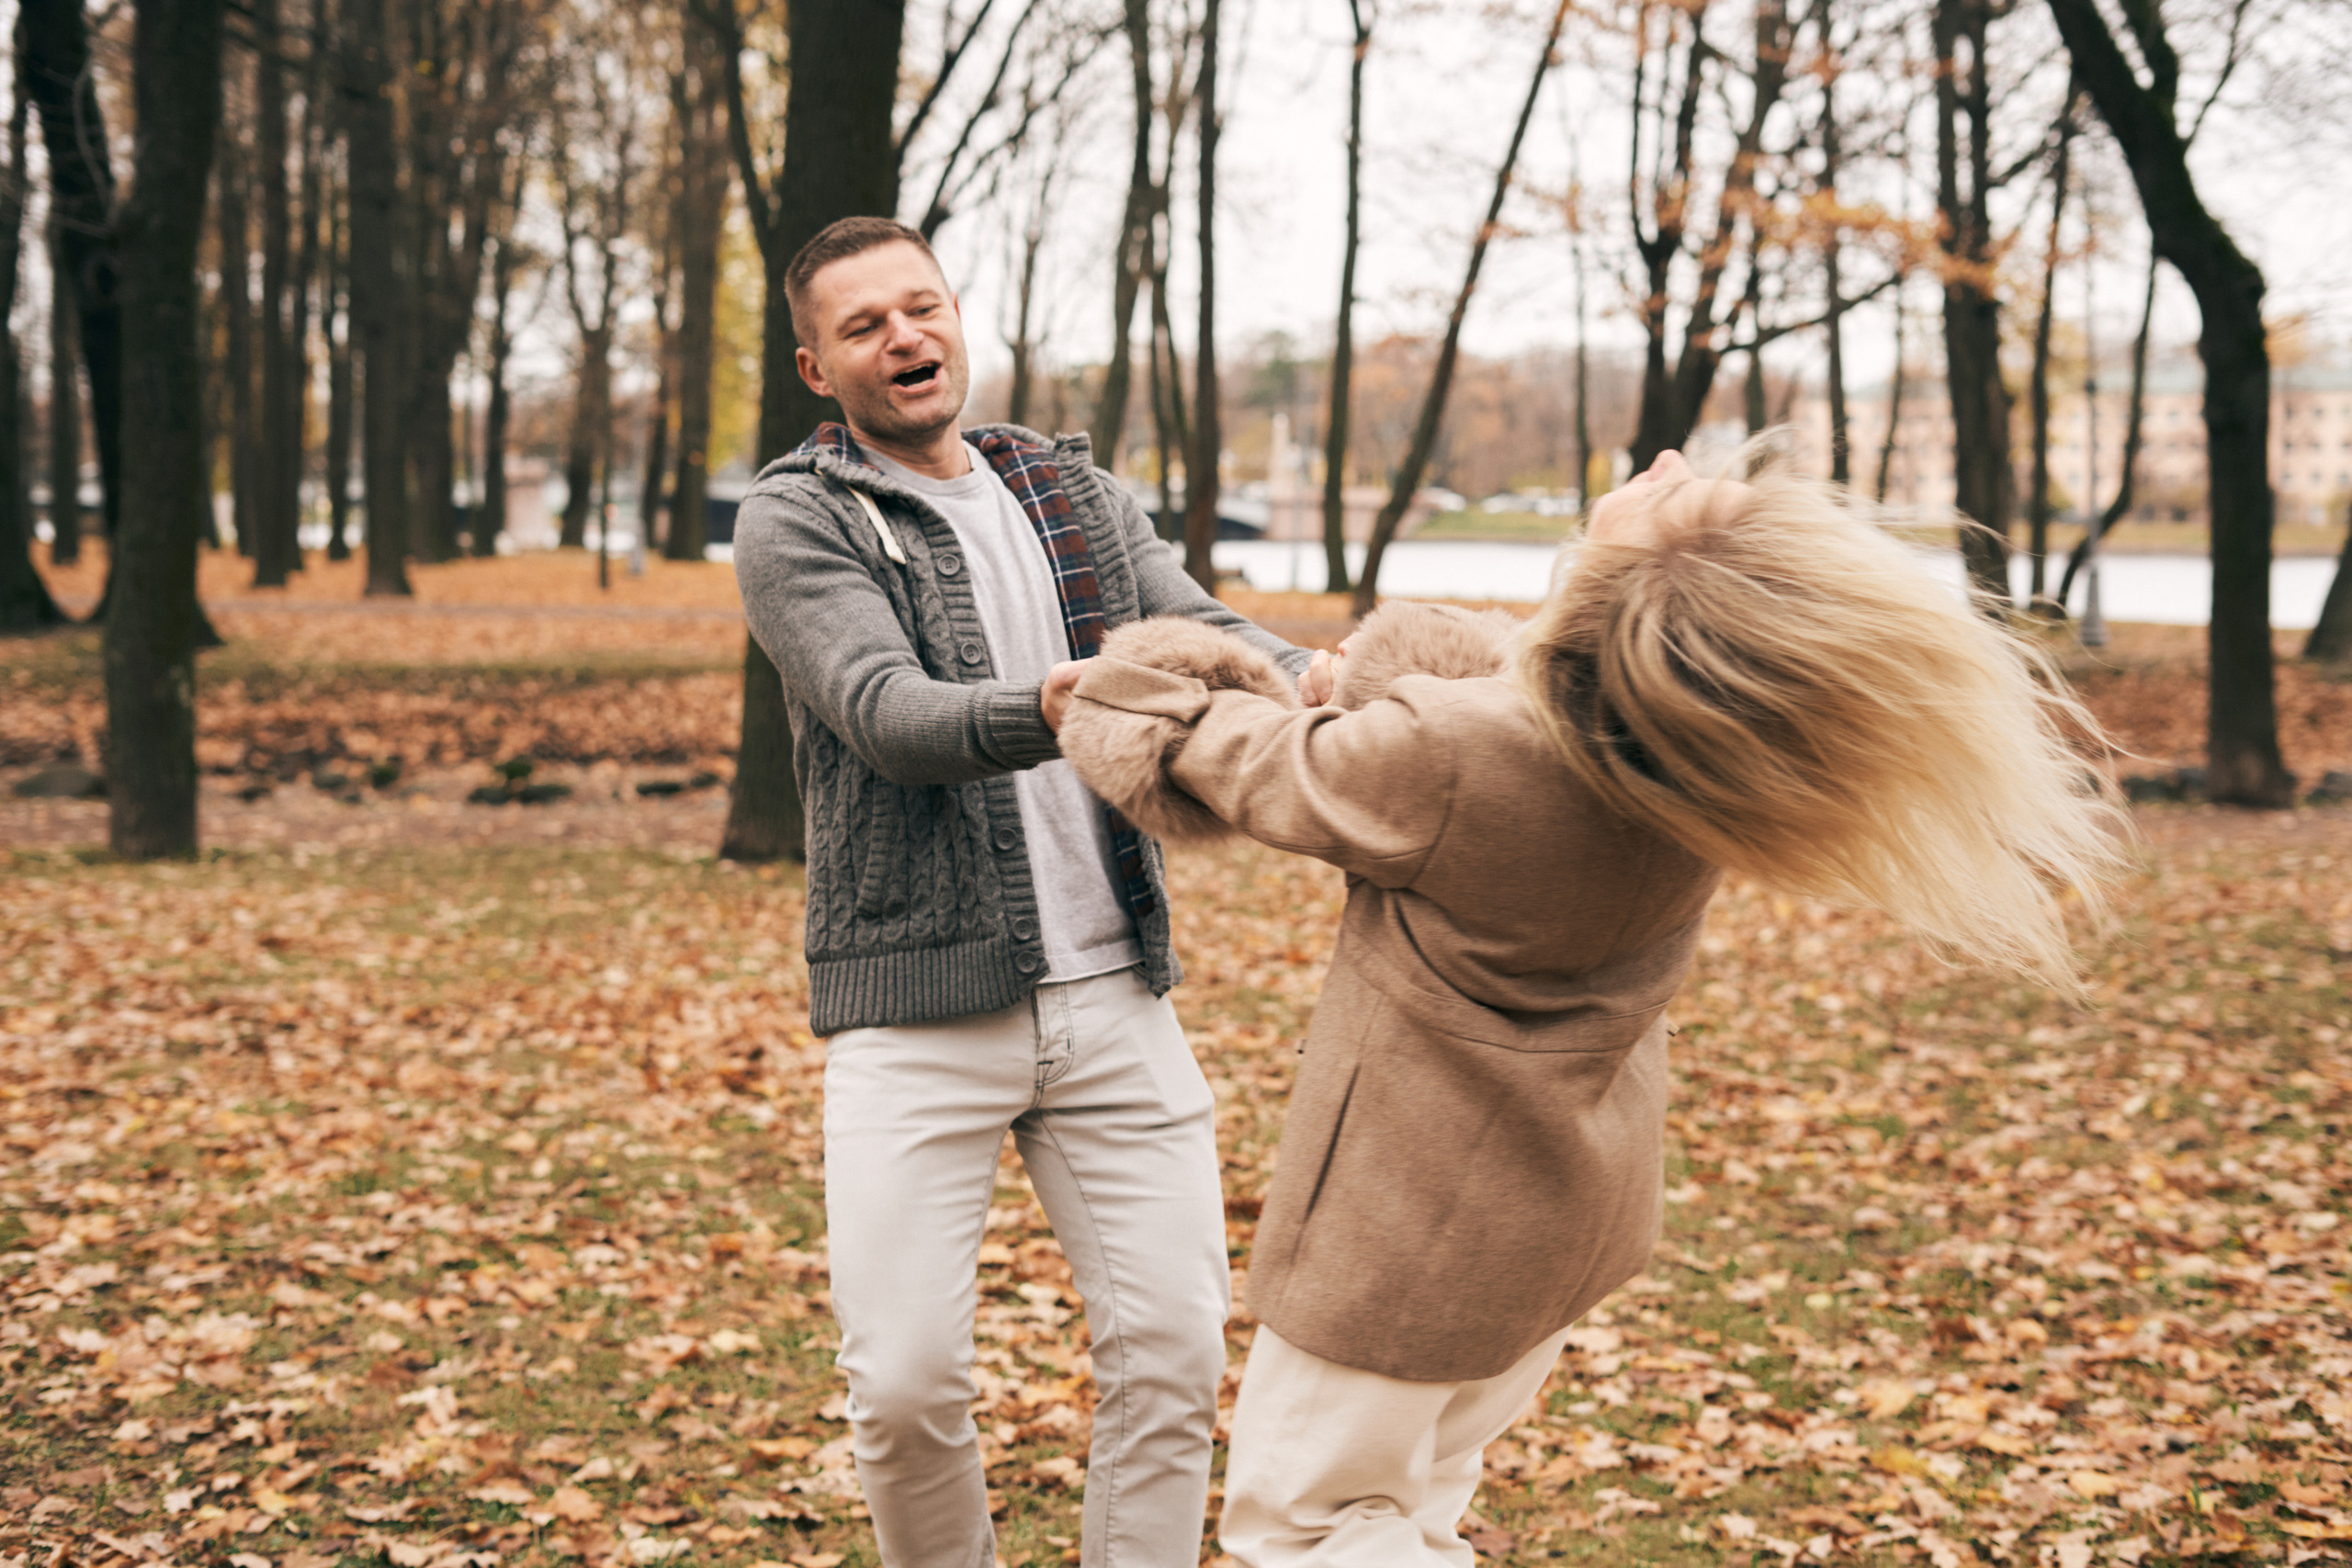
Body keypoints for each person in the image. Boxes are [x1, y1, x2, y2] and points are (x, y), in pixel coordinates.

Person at [1053, 448, 2126, 1567]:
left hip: (1407, 1233)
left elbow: (1220, 749)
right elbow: (1505, 698)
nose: (1666, 461)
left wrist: (1126, 682)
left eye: (1683, 492)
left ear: (1654, 578)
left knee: (1304, 1524)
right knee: (1412, 1511)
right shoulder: (1687, 764)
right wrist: (1377, 684)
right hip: (1557, 1218)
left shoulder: (1452, 756)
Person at [729, 215, 1326, 1568]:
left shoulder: (1069, 492)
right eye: (867, 325)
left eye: (922, 307)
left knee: (1173, 1355)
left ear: (955, 315)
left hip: (1115, 993)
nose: (908, 338)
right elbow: (886, 713)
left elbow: (1204, 630)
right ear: (819, 367)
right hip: (919, 1006)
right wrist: (1057, 702)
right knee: (904, 1384)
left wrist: (1324, 675)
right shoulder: (802, 515)